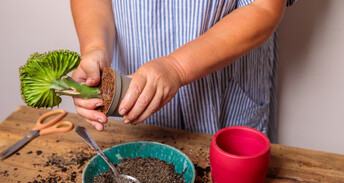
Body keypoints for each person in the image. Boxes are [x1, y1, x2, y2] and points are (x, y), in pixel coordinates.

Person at [70, 0, 296, 142]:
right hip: (130, 95)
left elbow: (263, 7)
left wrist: (176, 67)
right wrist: (94, 48)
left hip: (226, 102)